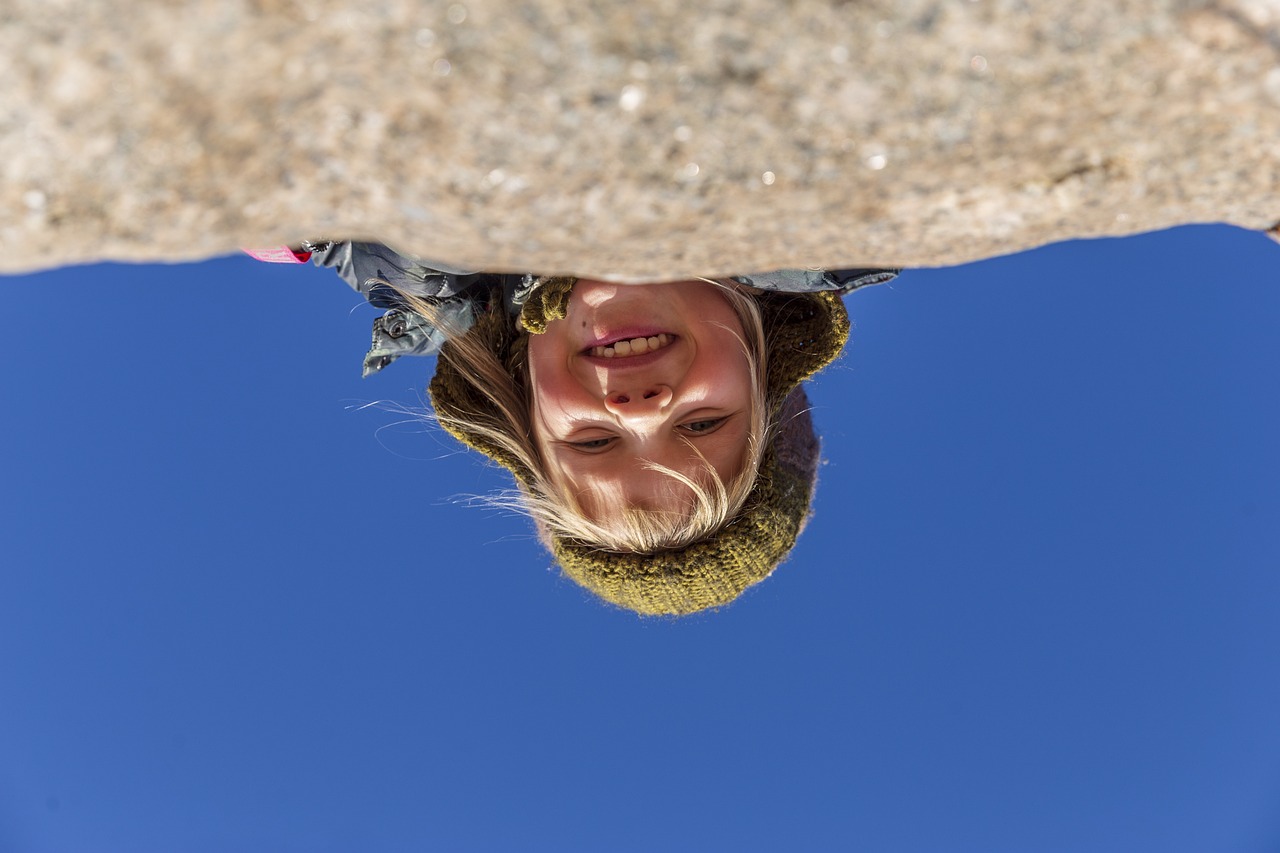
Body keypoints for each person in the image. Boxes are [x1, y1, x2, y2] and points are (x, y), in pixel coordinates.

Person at [246, 240, 899, 614]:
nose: (641, 408)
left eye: (594, 442)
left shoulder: (394, 251)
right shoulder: (837, 222)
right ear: (764, 368)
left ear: (524, 402)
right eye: (702, 421)